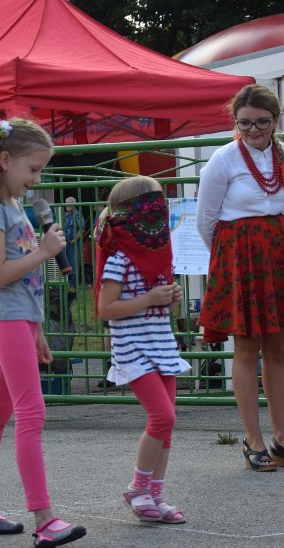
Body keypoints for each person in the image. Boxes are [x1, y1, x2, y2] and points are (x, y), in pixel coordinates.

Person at [0, 117, 86, 548]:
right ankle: (45, 519)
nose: (37, 179)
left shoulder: (13, 206)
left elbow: (22, 283)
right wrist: (46, 252)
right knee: (32, 414)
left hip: (20, 321)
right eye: (33, 169)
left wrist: (36, 331)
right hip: (5, 318)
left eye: (41, 170)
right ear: (5, 159)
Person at [195, 84, 284, 472]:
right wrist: (232, 259)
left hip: (278, 250)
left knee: (278, 350)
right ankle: (253, 441)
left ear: (276, 120)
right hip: (239, 255)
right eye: (244, 123)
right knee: (246, 349)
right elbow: (206, 220)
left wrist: (272, 241)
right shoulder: (223, 159)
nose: (253, 130)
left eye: (262, 122)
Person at [94, 175, 190, 523]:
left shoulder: (158, 255)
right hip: (133, 348)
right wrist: (149, 298)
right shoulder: (119, 258)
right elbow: (106, 309)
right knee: (162, 417)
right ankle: (138, 488)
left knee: (167, 424)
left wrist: (171, 298)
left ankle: (155, 495)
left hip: (161, 345)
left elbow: (160, 307)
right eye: (153, 202)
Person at [62, 196, 86, 297]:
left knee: (73, 264)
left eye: (70, 202)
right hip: (63, 243)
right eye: (66, 202)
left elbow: (82, 229)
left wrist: (74, 240)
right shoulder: (63, 215)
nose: (68, 205)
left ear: (74, 204)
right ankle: (64, 284)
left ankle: (73, 286)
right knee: (64, 263)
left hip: (73, 244)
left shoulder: (77, 215)